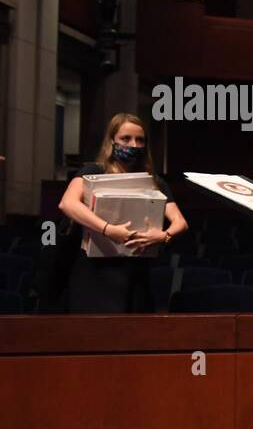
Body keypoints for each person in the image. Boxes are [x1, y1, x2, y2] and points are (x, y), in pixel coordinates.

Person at [57, 113, 188, 313]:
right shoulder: (94, 171)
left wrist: (164, 236)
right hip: (92, 271)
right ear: (112, 141)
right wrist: (108, 229)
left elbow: (180, 222)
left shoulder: (154, 181)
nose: (134, 145)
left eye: (140, 140)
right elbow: (67, 204)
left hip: (135, 271)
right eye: (126, 139)